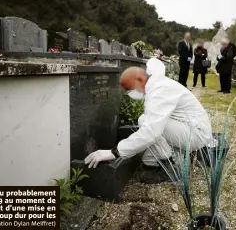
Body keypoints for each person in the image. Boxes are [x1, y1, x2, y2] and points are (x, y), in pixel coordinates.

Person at [85, 58, 214, 184]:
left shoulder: (159, 91)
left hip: (196, 133)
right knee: (146, 124)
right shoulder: (156, 85)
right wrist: (149, 163)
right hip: (187, 129)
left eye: (130, 89)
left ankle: (170, 167)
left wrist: (114, 152)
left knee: (147, 124)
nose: (131, 94)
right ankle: (176, 163)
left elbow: (152, 132)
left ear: (140, 80)